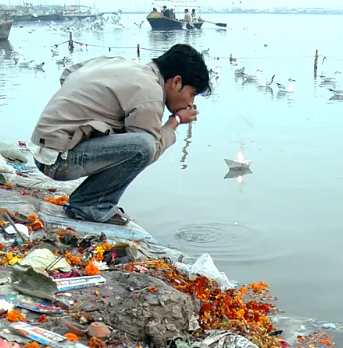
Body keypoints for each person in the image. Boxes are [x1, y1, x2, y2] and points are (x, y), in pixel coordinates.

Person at [30, 45, 210, 225]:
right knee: (143, 145)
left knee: (134, 137)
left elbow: (68, 73)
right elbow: (149, 151)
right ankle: (89, 204)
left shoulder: (121, 64)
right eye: (192, 94)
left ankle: (88, 201)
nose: (191, 102)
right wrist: (175, 121)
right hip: (58, 161)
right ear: (176, 82)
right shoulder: (150, 92)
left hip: (44, 150)